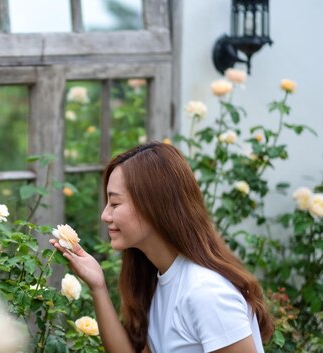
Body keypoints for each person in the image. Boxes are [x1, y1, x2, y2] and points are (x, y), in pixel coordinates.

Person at [50, 142, 274, 353]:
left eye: (115, 203)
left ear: (154, 206)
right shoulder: (163, 279)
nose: (105, 215)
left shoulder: (207, 293)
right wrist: (97, 286)